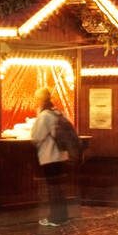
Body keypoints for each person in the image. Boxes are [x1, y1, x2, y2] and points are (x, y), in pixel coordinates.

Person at [30, 87, 72, 227]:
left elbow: (36, 136)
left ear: (41, 100)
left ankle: (55, 218)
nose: (35, 101)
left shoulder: (44, 116)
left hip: (49, 156)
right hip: (61, 155)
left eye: (37, 99)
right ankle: (63, 216)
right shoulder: (58, 112)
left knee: (53, 188)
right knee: (60, 187)